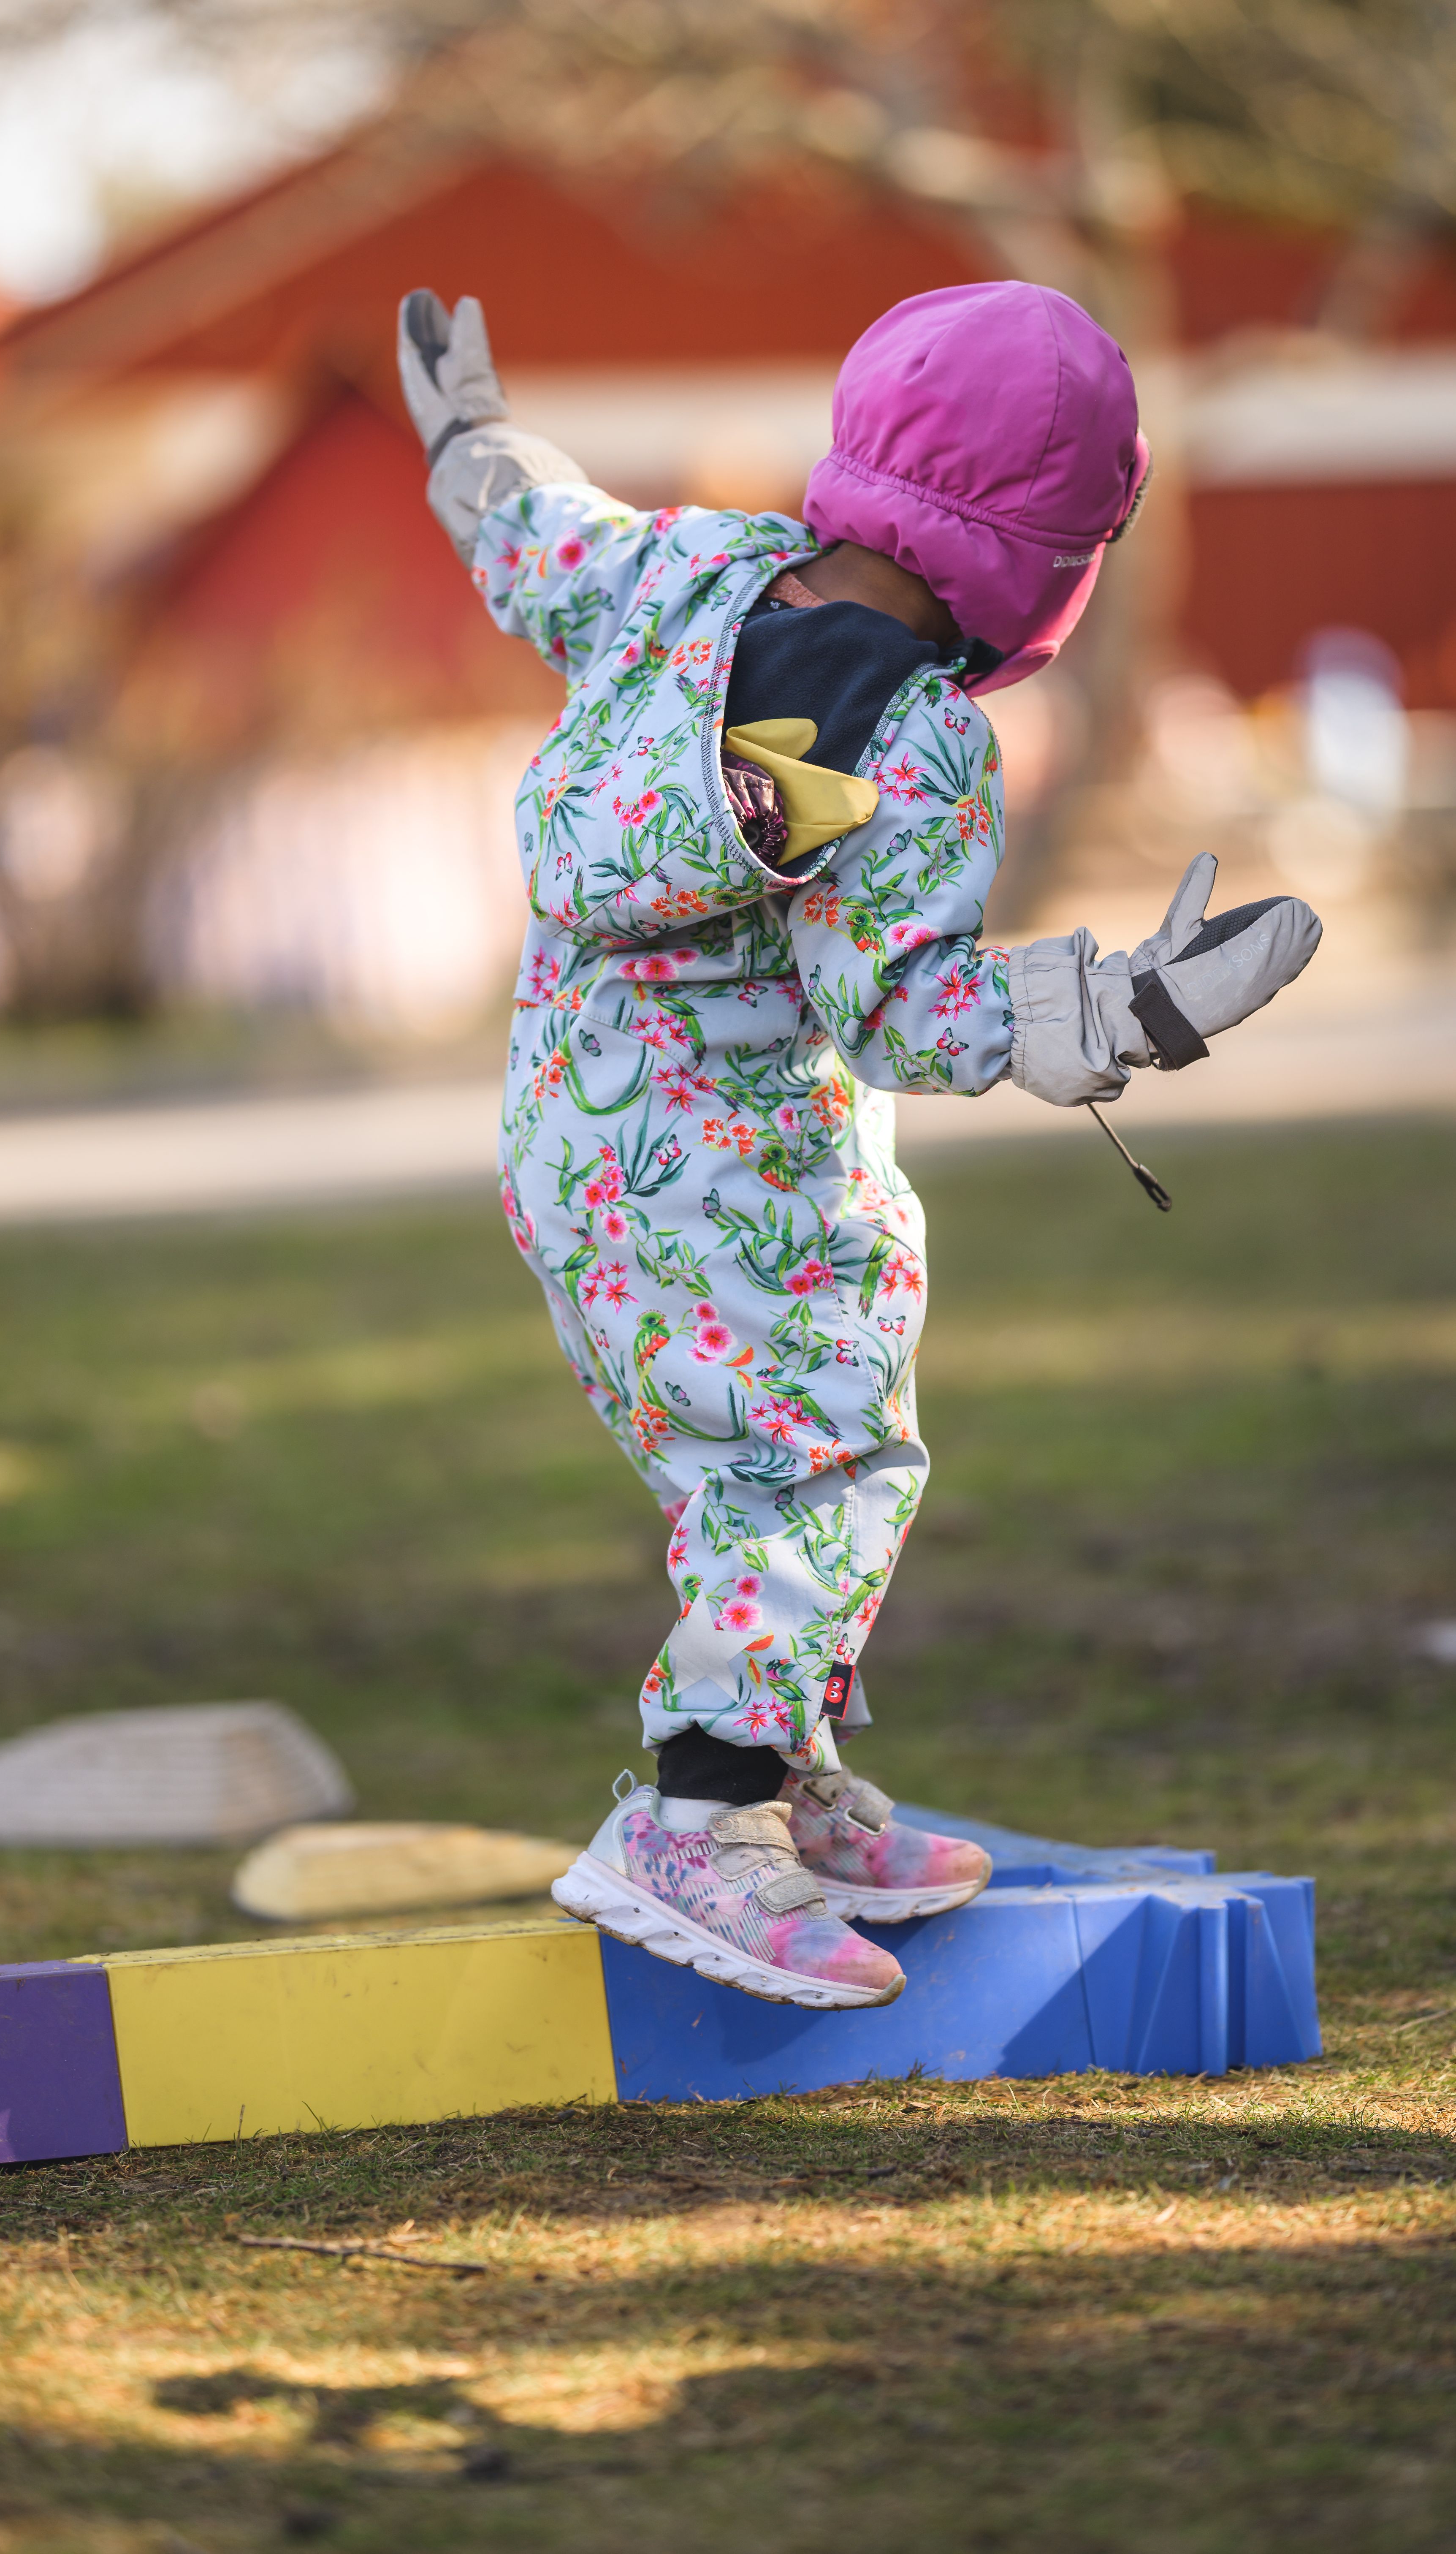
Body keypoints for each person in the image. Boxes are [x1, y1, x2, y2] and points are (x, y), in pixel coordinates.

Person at [396, 280, 1320, 2011]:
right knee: (824, 1476)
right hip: (747, 1178)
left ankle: (785, 1772)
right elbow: (903, 1007)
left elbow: (539, 535)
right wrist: (1122, 1013)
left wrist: (470, 438)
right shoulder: (914, 736)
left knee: (740, 1473)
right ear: (1054, 551)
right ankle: (703, 1818)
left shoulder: (686, 572)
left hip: (578, 1150)